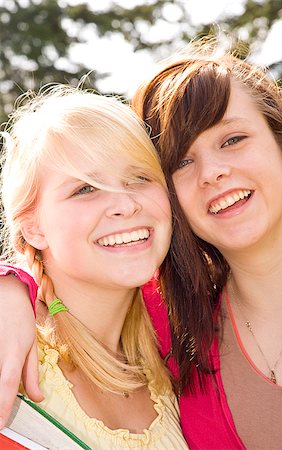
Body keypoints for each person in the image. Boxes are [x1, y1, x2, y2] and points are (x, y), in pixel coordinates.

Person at [0, 39, 282, 449]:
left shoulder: (164, 332)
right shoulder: (177, 325)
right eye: (181, 160)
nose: (212, 173)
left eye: (233, 140)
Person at [0, 85, 188, 449]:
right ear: (34, 227)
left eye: (139, 178)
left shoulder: (179, 350)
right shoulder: (12, 351)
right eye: (85, 188)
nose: (125, 204)